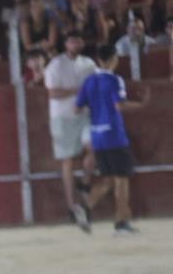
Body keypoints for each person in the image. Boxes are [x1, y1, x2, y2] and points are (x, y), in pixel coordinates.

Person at [74, 45, 145, 236]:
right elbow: (119, 105)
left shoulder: (88, 81)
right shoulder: (115, 80)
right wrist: (141, 105)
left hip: (97, 135)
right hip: (114, 135)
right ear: (114, 59)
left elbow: (76, 109)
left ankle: (86, 206)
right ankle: (121, 222)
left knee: (110, 179)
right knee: (122, 179)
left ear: (98, 60)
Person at [45, 29, 97, 230]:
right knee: (67, 160)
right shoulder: (56, 64)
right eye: (72, 41)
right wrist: (78, 91)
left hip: (83, 114)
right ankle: (70, 205)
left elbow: (94, 86)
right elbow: (53, 93)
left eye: (78, 41)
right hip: (62, 117)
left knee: (92, 147)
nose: (75, 44)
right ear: (66, 44)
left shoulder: (89, 64)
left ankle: (84, 182)